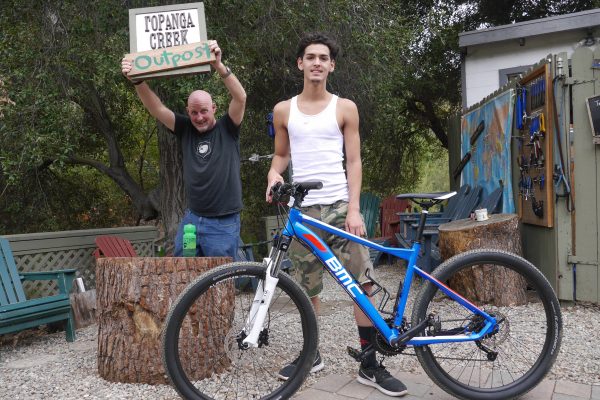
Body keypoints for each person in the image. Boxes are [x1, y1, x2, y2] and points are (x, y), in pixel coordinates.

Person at [265, 32, 407, 397]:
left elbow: (355, 160)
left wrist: (356, 208)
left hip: (342, 208)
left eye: (323, 57)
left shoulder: (345, 107)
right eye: (310, 56)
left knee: (363, 286)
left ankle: (370, 363)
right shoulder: (284, 110)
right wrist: (273, 173)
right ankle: (311, 354)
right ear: (300, 63)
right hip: (303, 211)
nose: (316, 62)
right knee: (306, 287)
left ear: (331, 65)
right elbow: (281, 155)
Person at [122, 40, 246, 259]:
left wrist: (218, 65)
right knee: (183, 272)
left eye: (204, 111)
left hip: (223, 223)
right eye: (194, 112)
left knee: (220, 280)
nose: (199, 118)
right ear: (188, 112)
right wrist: (137, 80)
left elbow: (240, 97)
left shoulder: (228, 128)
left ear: (214, 108)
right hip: (192, 220)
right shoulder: (185, 129)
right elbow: (156, 108)